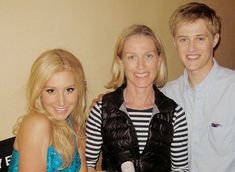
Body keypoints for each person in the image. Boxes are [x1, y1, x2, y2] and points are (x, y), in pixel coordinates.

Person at [85, 24, 189, 172]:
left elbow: (180, 168)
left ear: (159, 59)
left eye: (148, 56)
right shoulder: (101, 110)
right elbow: (88, 164)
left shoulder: (174, 113)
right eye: (131, 57)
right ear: (121, 61)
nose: (141, 65)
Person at [161, 2, 235, 172]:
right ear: (174, 42)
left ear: (215, 39)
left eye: (200, 38)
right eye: (184, 39)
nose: (191, 48)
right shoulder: (166, 95)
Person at [8, 49, 88, 172]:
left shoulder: (76, 127)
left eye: (69, 89)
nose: (61, 101)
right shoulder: (37, 124)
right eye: (51, 90)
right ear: (39, 91)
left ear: (80, 89)